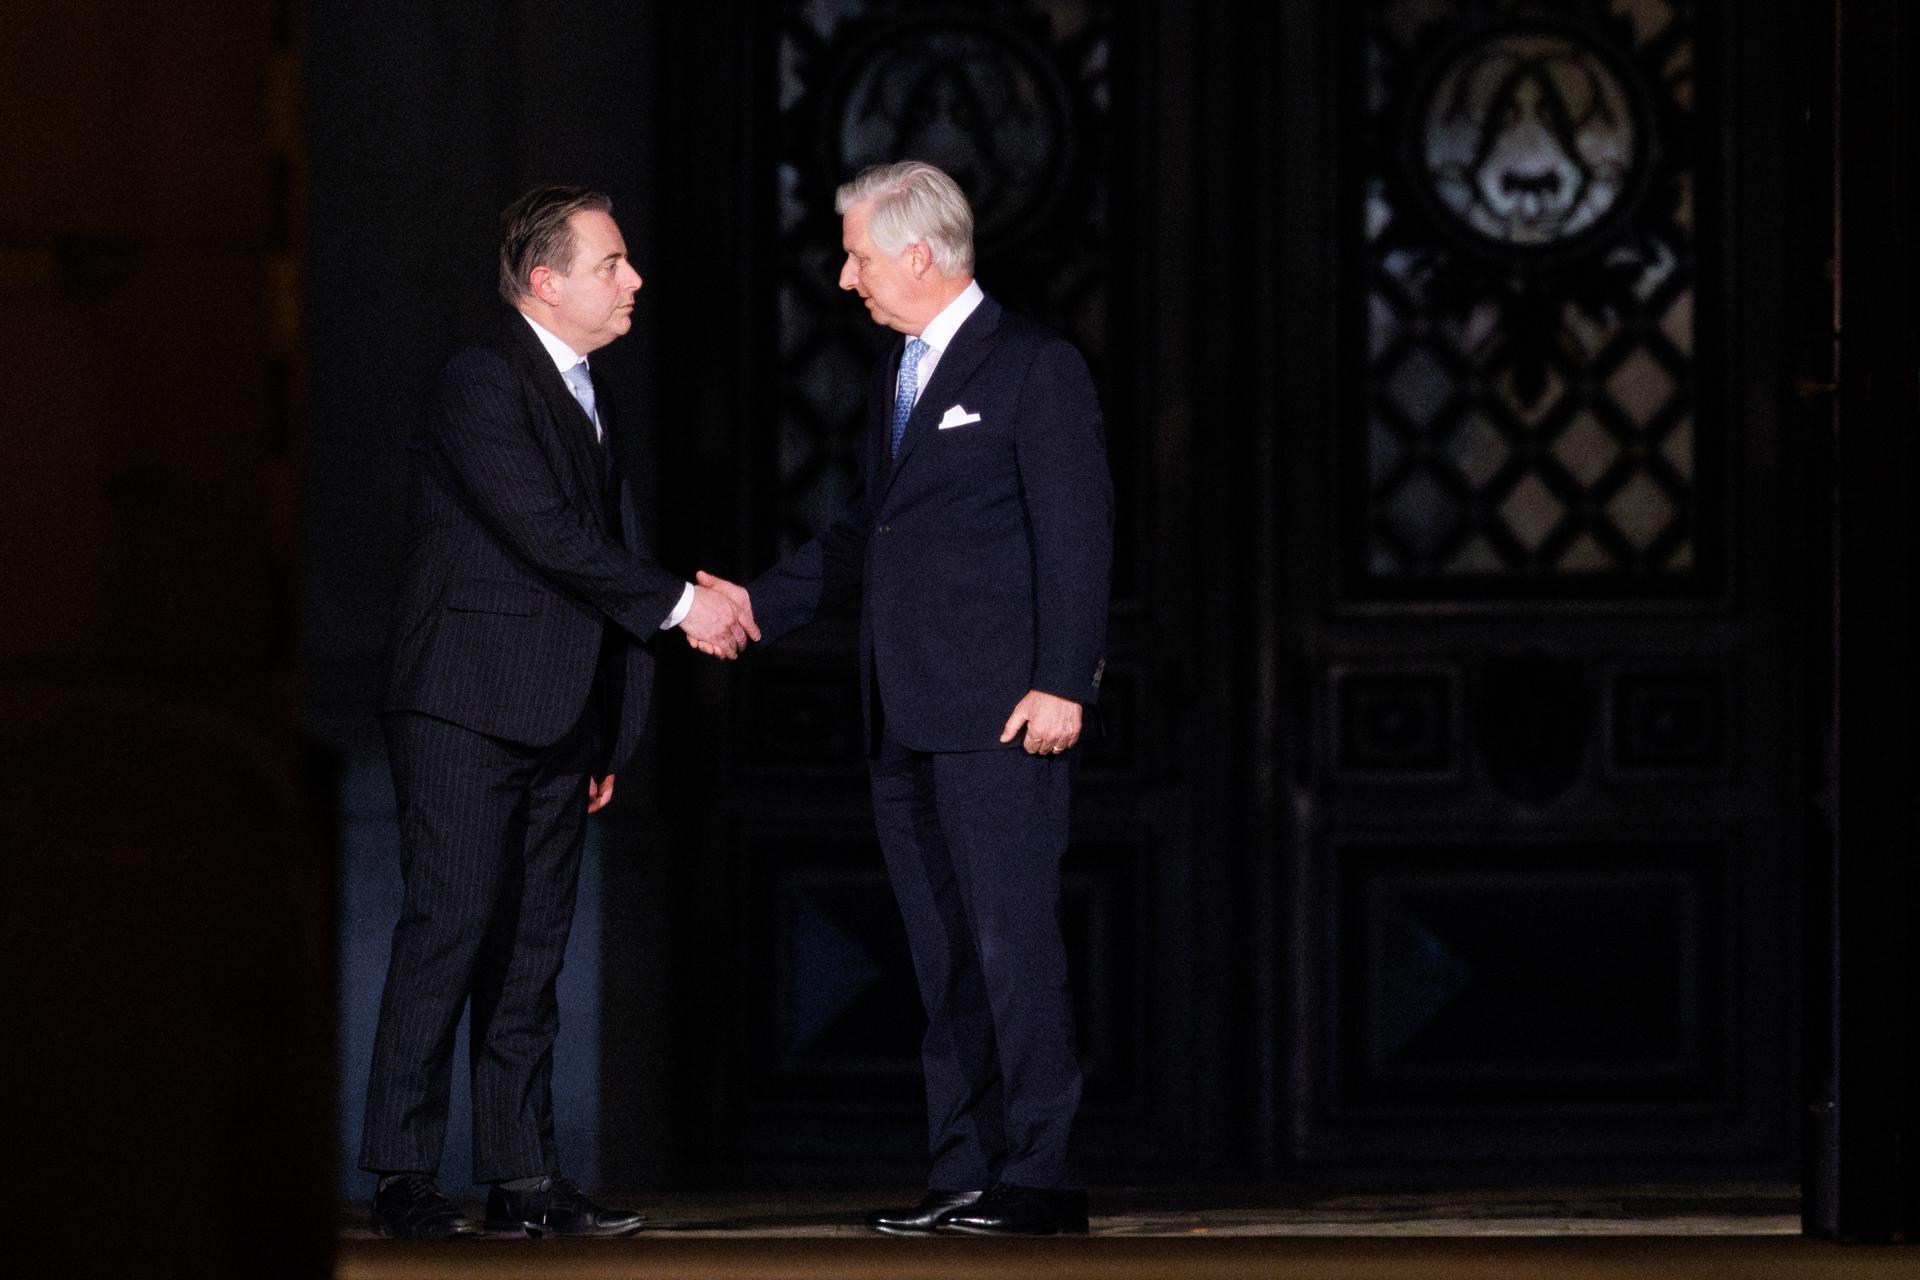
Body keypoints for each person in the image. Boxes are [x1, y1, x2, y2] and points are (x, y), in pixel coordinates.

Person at [700, 160, 1113, 1235]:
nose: (846, 278)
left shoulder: (1034, 365)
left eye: (858, 255)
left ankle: (1041, 1173)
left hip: (1002, 716)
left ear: (919, 255)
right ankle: (964, 1168)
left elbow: (1079, 535)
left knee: (1010, 942)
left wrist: (1064, 678)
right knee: (940, 951)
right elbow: (860, 537)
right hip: (906, 715)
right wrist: (752, 603)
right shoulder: (900, 375)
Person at [361, 184, 755, 1239]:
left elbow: (598, 542)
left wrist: (607, 720)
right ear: (548, 282)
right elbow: (545, 533)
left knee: (533, 947)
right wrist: (685, 606)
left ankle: (523, 1174)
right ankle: (402, 1174)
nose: (635, 280)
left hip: (554, 713)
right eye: (613, 263)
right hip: (464, 704)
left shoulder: (586, 387)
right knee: (448, 929)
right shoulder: (480, 378)